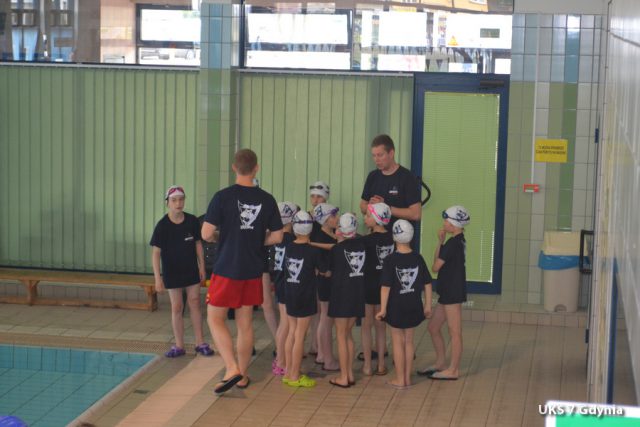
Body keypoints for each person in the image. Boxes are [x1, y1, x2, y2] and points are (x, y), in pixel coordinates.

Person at [201, 149, 283, 394]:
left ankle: (231, 368)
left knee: (215, 318)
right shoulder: (267, 199)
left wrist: (222, 237)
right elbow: (278, 236)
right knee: (245, 322)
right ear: (256, 168)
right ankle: (243, 375)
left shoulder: (222, 197)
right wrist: (256, 241)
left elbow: (206, 233)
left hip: (227, 267)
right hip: (253, 269)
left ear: (234, 167)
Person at [151, 186, 214, 359]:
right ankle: (179, 345)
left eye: (181, 199)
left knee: (195, 303)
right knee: (177, 307)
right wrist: (157, 278)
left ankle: (200, 342)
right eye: (174, 200)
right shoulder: (162, 226)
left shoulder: (192, 221)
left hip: (190, 270)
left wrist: (202, 266)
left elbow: (198, 245)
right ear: (167, 203)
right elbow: (156, 253)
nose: (178, 203)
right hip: (172, 271)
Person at [376, 220, 432, 389]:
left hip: (396, 307)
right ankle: (407, 378)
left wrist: (383, 309)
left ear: (394, 237)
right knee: (409, 341)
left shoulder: (390, 260)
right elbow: (428, 283)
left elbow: (385, 287)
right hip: (413, 305)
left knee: (397, 341)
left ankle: (400, 379)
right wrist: (428, 305)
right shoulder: (418, 258)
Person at [418, 206, 470, 381]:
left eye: (446, 221)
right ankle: (441, 363)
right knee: (433, 327)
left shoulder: (453, 244)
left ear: (453, 224)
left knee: (455, 332)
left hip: (452, 293)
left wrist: (442, 244)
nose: (444, 223)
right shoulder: (457, 240)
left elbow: (434, 267)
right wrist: (440, 242)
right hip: (448, 291)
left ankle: (453, 370)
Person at [282, 211, 326, 388]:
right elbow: (324, 270)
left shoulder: (288, 247)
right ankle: (295, 376)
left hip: (290, 293)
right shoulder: (313, 251)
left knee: (292, 332)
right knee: (300, 335)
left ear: (295, 228)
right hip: (305, 296)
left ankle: (288, 371)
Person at [327, 213, 366, 388]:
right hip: (358, 294)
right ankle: (349, 373)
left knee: (341, 336)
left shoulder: (337, 250)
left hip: (341, 295)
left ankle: (343, 377)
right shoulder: (362, 246)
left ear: (340, 230)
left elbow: (328, 271)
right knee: (348, 334)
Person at [360, 202, 394, 376]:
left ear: (376, 219)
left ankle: (367, 365)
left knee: (366, 327)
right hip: (385, 289)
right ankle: (381, 364)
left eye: (367, 216)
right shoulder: (393, 238)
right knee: (381, 328)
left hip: (368, 286)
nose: (365, 218)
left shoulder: (365, 241)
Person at [360, 134, 422, 230]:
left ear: (391, 153)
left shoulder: (407, 177)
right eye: (374, 155)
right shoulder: (372, 176)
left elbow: (416, 214)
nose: (376, 160)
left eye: (380, 155)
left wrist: (386, 208)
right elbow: (362, 206)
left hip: (399, 236)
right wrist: (372, 207)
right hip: (376, 235)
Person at [310, 203, 340, 371]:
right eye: (334, 216)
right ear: (326, 219)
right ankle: (323, 355)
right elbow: (323, 268)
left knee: (326, 318)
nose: (338, 218)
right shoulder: (320, 238)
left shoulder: (329, 235)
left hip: (328, 283)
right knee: (326, 319)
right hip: (325, 283)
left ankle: (323, 353)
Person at [271, 201, 299, 375]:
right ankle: (281, 361)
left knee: (284, 323)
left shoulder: (278, 237)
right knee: (287, 324)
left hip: (279, 282)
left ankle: (280, 360)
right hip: (287, 284)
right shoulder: (290, 241)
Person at [307, 180, 330, 355]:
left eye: (319, 197)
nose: (315, 200)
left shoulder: (329, 220)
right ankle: (315, 345)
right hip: (312, 266)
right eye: (313, 196)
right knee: (315, 309)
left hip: (323, 268)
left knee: (322, 309)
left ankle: (320, 347)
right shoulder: (306, 219)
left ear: (325, 199)